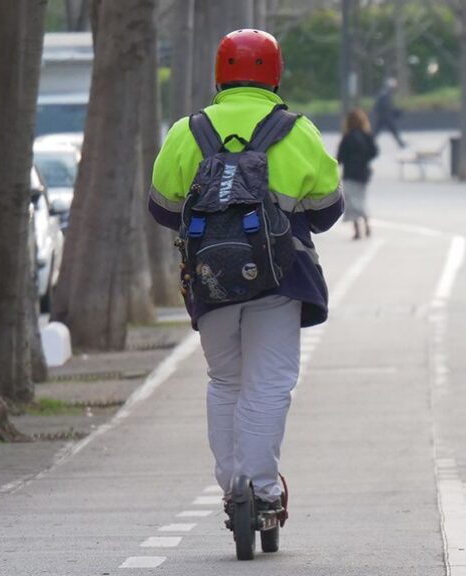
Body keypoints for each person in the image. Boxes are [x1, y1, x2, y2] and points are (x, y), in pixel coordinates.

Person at [149, 29, 343, 526]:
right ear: (275, 76)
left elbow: (163, 208)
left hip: (210, 279)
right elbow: (328, 209)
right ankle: (262, 490)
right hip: (280, 280)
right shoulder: (296, 131)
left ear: (219, 76)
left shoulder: (187, 130)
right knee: (269, 383)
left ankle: (233, 487)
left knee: (225, 380)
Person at [337, 108, 378, 240]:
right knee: (361, 198)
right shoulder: (367, 135)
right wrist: (364, 159)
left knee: (351, 201)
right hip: (363, 173)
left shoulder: (347, 137)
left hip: (350, 173)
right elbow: (374, 152)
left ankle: (357, 230)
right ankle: (366, 222)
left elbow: (340, 156)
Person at [372, 77, 405, 148]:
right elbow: (385, 106)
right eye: (393, 86)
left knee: (378, 132)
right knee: (391, 130)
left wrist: (395, 111)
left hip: (383, 116)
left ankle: (401, 143)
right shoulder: (384, 94)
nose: (394, 88)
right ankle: (401, 143)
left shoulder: (386, 93)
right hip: (385, 117)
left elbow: (387, 106)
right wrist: (393, 111)